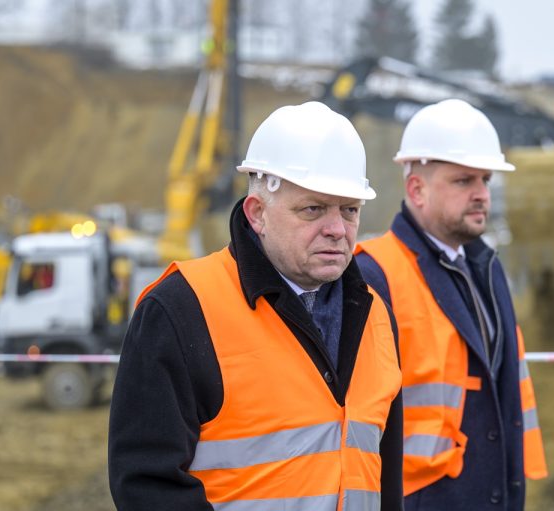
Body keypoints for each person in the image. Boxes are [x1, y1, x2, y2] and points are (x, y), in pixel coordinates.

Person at [109, 101, 404, 511]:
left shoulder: (375, 316)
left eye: (349, 210)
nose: (337, 229)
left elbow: (384, 479)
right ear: (258, 213)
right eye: (313, 209)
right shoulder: (181, 309)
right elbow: (147, 487)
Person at [356, 99, 547, 510]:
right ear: (416, 189)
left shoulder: (488, 268)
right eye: (463, 181)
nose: (482, 194)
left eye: (485, 179)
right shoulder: (375, 274)